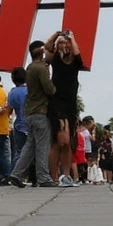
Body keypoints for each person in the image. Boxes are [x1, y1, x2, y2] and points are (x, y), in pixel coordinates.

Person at [7, 40, 57, 188]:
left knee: (30, 145)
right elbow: (49, 89)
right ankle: (43, 177)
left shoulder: (29, 67)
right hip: (40, 111)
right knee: (42, 145)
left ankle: (16, 173)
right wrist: (56, 90)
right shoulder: (41, 68)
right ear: (41, 52)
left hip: (29, 112)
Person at [46, 30, 83, 186]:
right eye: (62, 43)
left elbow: (77, 53)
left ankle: (66, 176)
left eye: (67, 43)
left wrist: (72, 37)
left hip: (71, 105)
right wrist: (56, 35)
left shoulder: (75, 62)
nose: (65, 45)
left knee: (68, 143)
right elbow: (47, 47)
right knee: (58, 141)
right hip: (57, 103)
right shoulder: (55, 59)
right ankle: (53, 176)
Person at [7, 67, 28, 162]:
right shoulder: (30, 90)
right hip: (31, 124)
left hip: (19, 124)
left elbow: (9, 111)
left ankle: (15, 175)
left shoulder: (12, 93)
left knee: (18, 152)